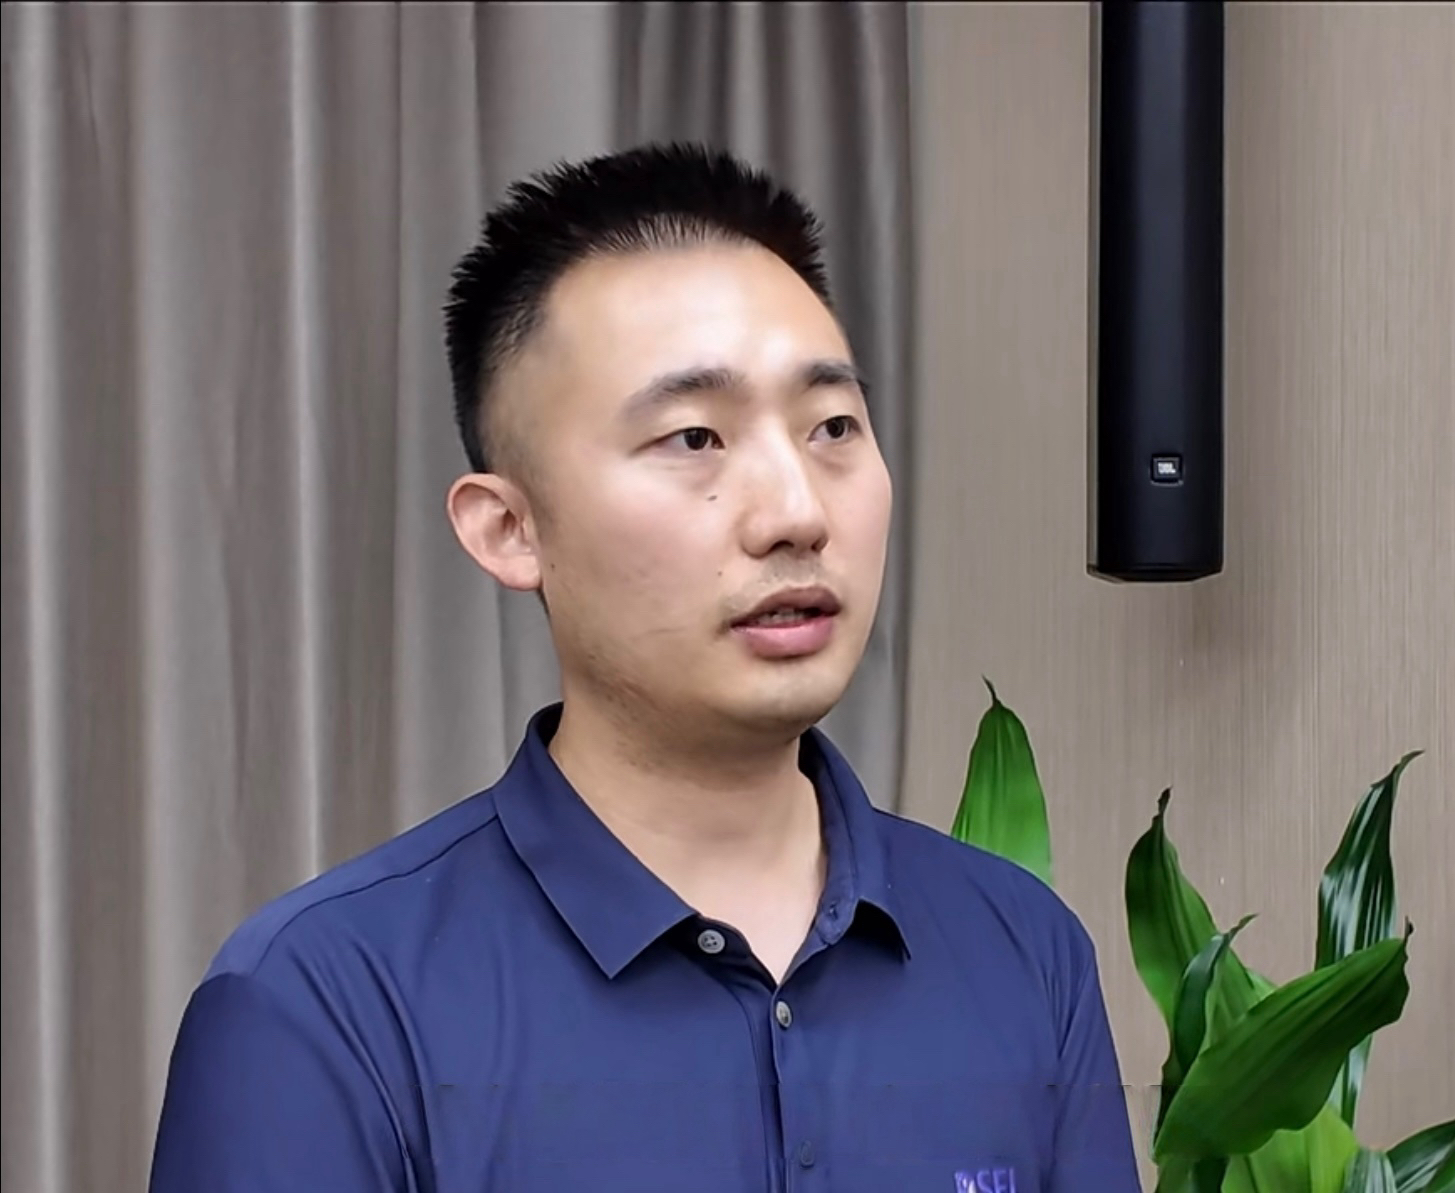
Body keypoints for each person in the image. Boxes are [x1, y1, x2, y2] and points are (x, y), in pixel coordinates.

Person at [149, 143, 1141, 1193]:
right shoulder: (324, 1003)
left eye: (832, 426)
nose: (796, 511)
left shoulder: (1021, 950)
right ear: (509, 528)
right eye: (694, 437)